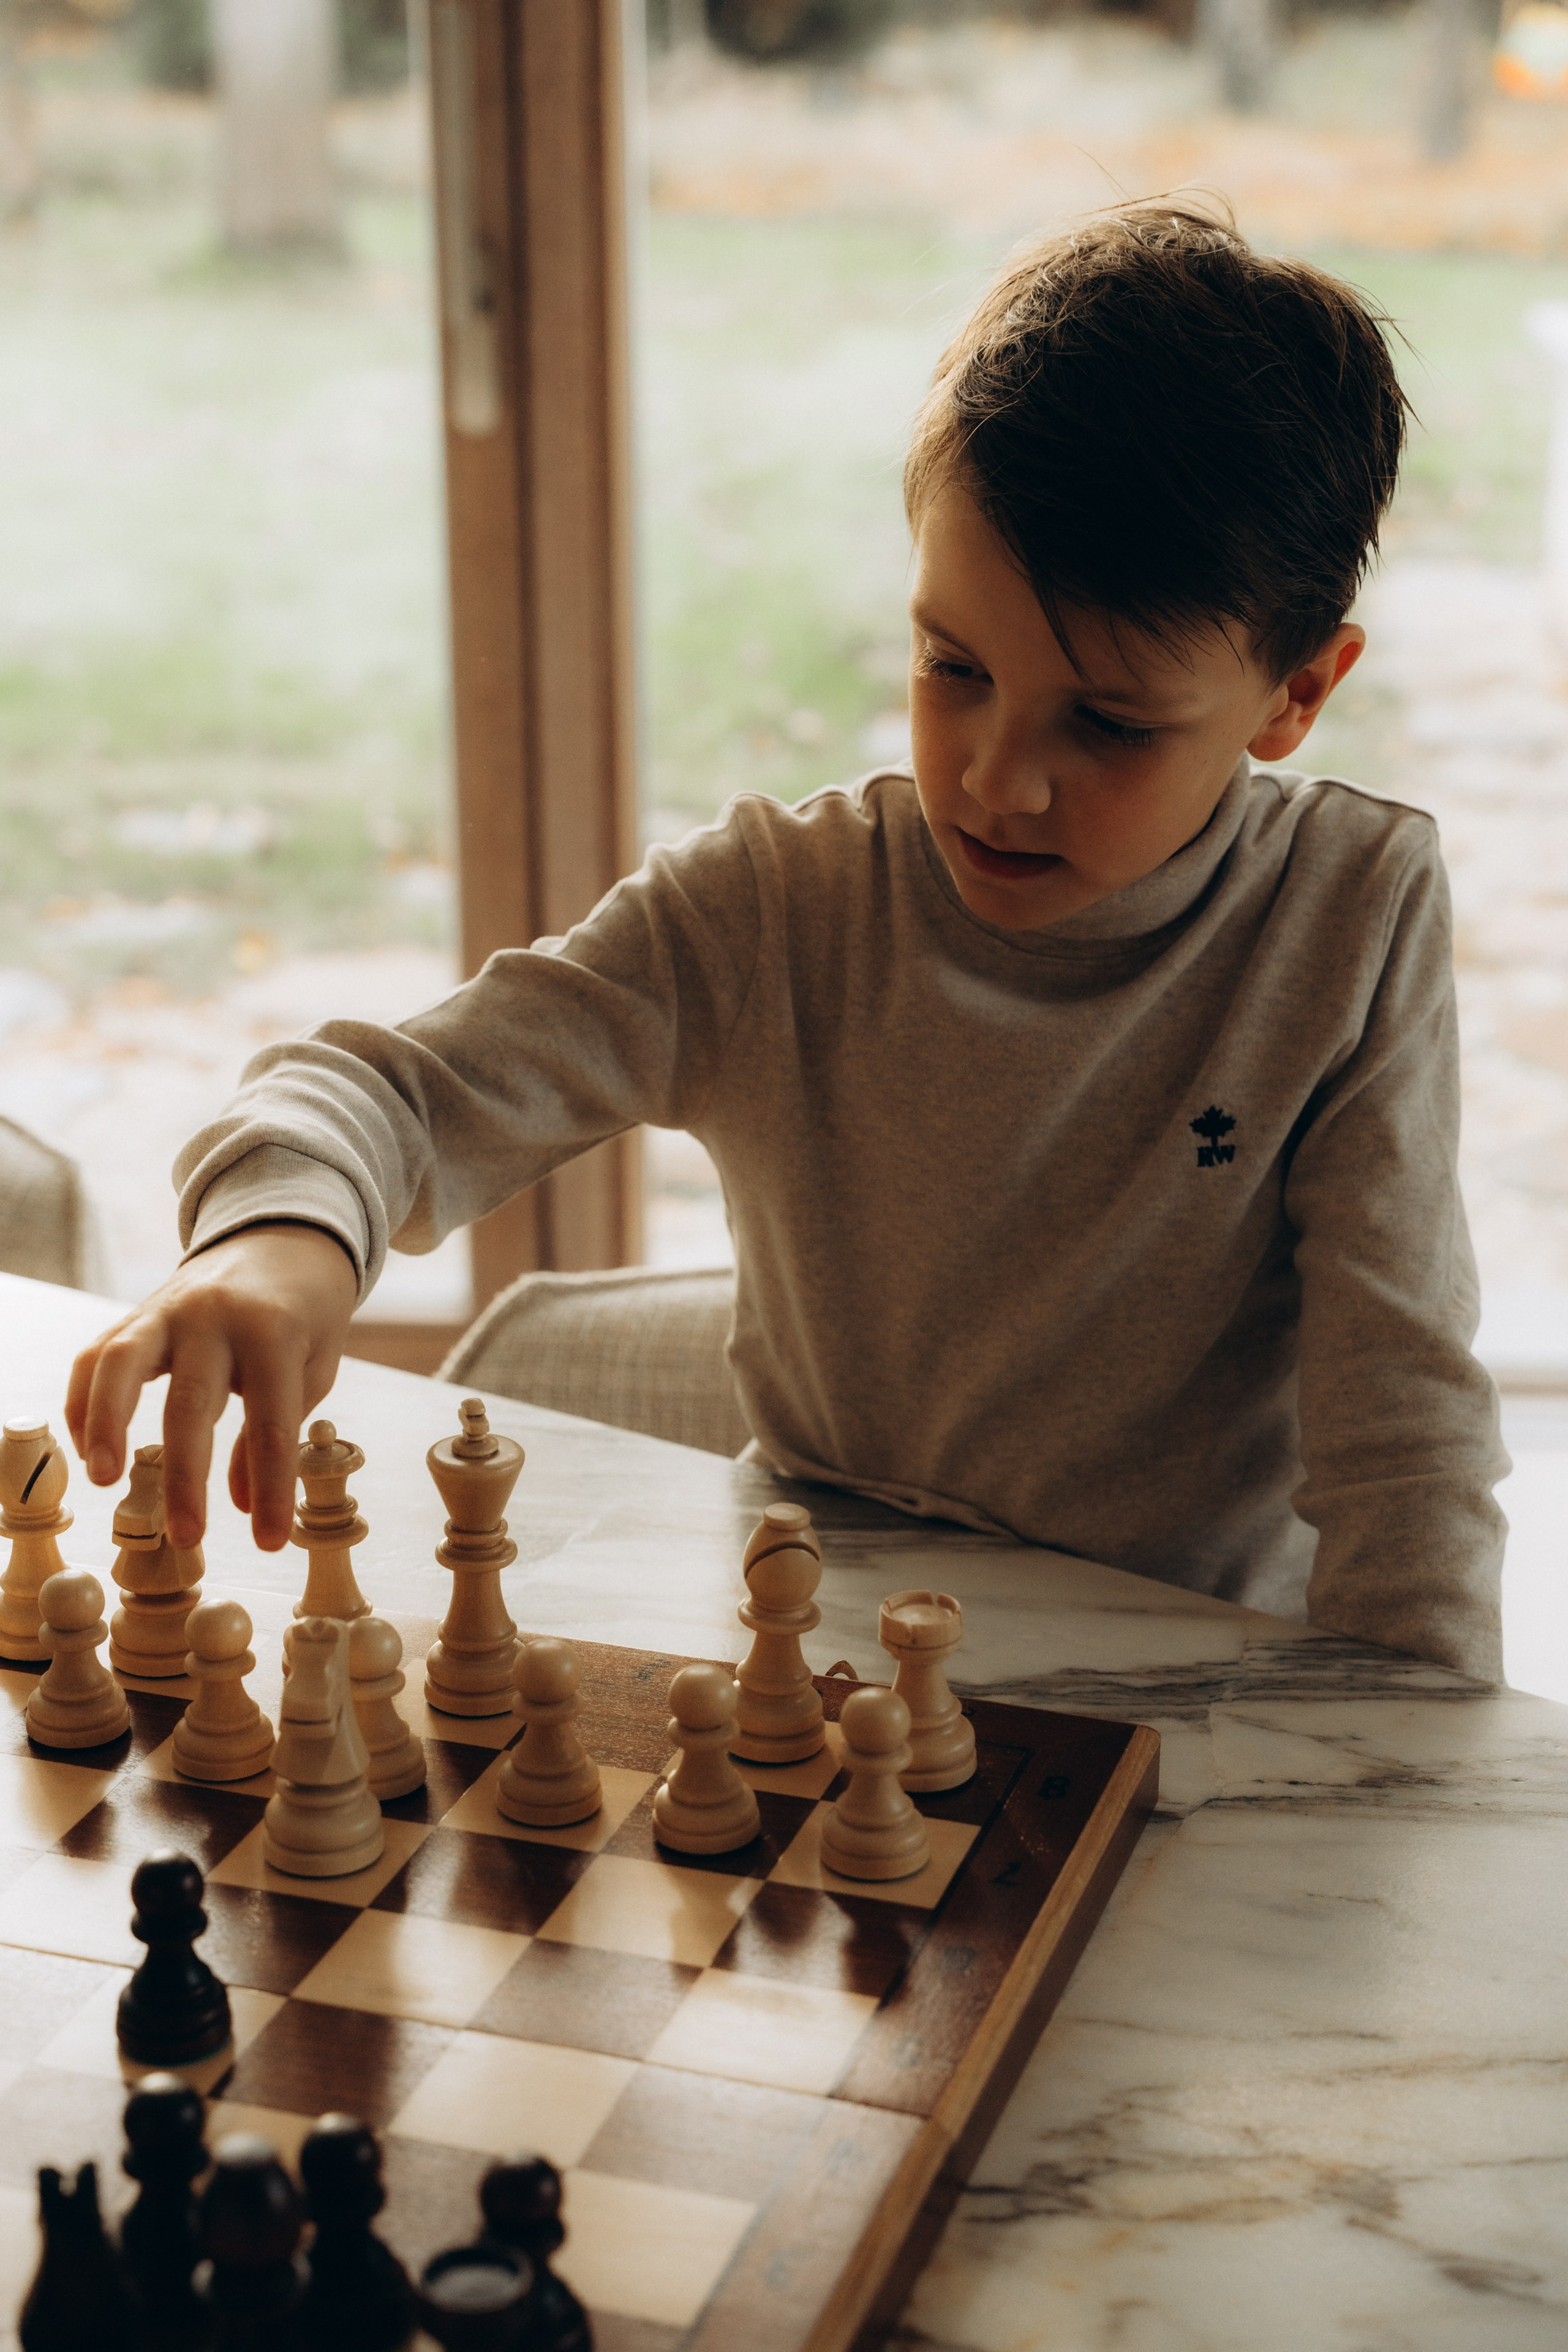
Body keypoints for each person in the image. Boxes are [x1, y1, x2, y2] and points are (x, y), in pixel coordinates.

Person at [67, 202, 1507, 1681]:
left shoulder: (1350, 913)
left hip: (1194, 1683)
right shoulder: (778, 911)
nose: (996, 780)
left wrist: (1431, 1771)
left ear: (1295, 694)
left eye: (1110, 722)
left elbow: (1403, 1440)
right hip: (819, 1662)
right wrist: (274, 1239)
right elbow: (388, 1096)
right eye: (951, 667)